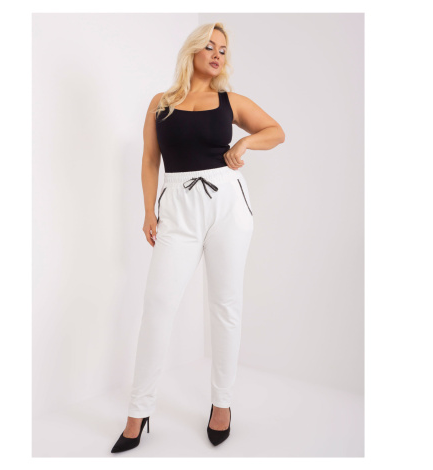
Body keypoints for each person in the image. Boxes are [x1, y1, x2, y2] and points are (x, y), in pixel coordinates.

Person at [111, 22, 285, 453]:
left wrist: (244, 145)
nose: (217, 54)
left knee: (226, 305)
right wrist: (148, 210)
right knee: (158, 305)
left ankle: (221, 404)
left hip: (228, 204)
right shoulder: (161, 103)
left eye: (223, 49)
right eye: (209, 46)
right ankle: (138, 411)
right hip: (177, 208)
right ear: (192, 51)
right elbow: (150, 160)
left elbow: (275, 131)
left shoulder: (230, 102)